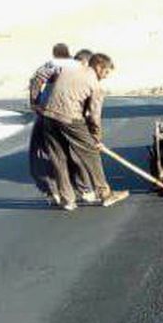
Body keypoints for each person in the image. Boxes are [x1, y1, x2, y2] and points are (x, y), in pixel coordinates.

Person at [40, 53, 128, 211]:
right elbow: (94, 115)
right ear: (99, 66)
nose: (106, 77)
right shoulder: (95, 84)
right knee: (92, 154)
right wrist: (96, 138)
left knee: (58, 156)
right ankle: (105, 194)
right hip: (70, 117)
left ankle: (67, 200)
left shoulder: (70, 69)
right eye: (106, 72)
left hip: (48, 115)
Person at [28, 43, 82, 205]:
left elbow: (36, 80)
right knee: (72, 150)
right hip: (73, 115)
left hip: (48, 112)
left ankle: (53, 191)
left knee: (42, 152)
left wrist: (34, 102)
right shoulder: (79, 68)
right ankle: (79, 188)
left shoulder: (52, 65)